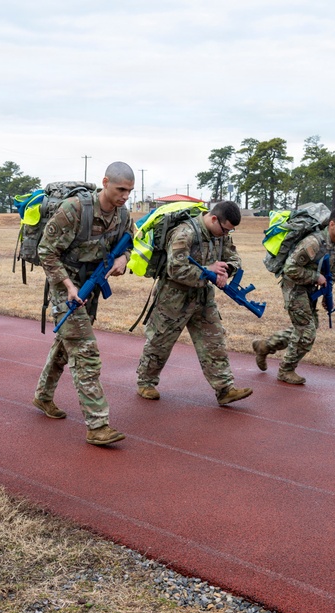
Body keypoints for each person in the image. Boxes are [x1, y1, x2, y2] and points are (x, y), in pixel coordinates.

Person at [33, 162, 135, 446]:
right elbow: (46, 251)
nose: (125, 196)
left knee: (68, 345)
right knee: (85, 351)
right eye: (120, 189)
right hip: (65, 286)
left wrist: (123, 260)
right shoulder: (75, 209)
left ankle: (43, 396)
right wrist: (68, 286)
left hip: (90, 285)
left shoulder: (123, 215)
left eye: (129, 191)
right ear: (105, 182)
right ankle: (97, 425)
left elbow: (129, 244)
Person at [135, 201, 253, 405]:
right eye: (225, 229)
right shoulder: (184, 233)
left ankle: (224, 389)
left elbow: (233, 257)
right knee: (160, 342)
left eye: (229, 231)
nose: (225, 235)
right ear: (214, 218)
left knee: (214, 341)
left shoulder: (221, 235)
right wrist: (208, 270)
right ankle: (146, 382)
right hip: (173, 298)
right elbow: (176, 269)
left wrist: (226, 270)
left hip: (202, 297)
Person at [252, 207, 335, 385]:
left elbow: (331, 274)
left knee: (307, 327)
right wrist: (316, 277)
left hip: (311, 289)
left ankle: (265, 346)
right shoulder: (313, 243)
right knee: (307, 331)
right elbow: (290, 269)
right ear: (332, 224)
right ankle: (286, 370)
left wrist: (326, 296)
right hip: (294, 286)